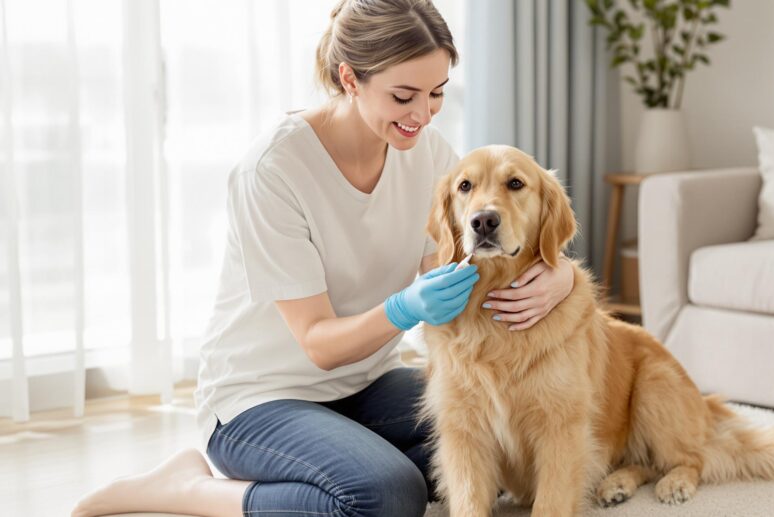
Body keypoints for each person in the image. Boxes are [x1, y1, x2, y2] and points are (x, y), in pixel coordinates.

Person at [72, 1, 574, 516]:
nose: (422, 115)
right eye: (404, 96)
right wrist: (403, 309)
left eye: (437, 93)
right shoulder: (274, 171)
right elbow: (318, 345)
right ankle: (186, 490)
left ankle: (342, 454)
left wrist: (562, 278)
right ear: (350, 78)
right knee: (386, 495)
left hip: (367, 383)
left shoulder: (429, 153)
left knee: (489, 444)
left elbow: (456, 276)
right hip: (261, 400)